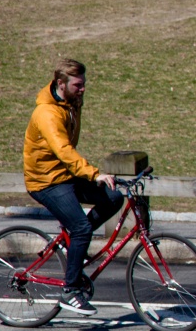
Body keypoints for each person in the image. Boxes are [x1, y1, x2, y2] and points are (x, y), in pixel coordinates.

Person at [22, 59, 124, 315]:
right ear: (61, 84)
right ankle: (70, 291)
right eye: (78, 85)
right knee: (81, 228)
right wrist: (94, 173)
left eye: (84, 84)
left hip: (64, 174)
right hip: (45, 181)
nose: (83, 89)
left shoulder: (70, 102)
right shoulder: (46, 113)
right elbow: (64, 149)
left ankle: (73, 245)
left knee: (113, 198)